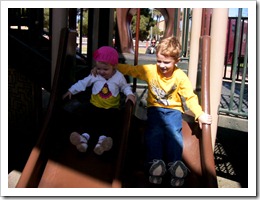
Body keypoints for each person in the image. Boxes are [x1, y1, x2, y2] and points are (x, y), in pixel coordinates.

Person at [115, 36, 212, 187]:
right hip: (155, 109)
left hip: (173, 111)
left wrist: (199, 113)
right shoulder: (150, 70)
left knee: (174, 134)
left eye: (167, 62)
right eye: (159, 61)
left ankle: (175, 165)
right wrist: (112, 66)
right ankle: (155, 164)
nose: (162, 65)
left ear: (176, 61)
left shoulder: (180, 76)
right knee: (154, 133)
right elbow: (131, 70)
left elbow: (190, 96)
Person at [63, 46, 136, 155]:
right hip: (95, 105)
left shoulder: (119, 77)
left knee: (109, 122)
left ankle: (102, 142)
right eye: (98, 68)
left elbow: (125, 87)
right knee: (88, 118)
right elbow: (84, 82)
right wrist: (71, 90)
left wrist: (129, 94)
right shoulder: (95, 75)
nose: (101, 72)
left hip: (111, 108)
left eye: (105, 69)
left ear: (114, 66)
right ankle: (83, 139)